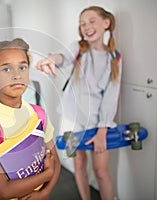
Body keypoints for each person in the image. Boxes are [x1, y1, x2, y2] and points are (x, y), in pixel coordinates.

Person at [36, 6, 121, 200]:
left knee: (101, 171)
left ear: (106, 23)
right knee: (79, 164)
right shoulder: (78, 48)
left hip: (97, 121)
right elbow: (62, 56)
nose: (87, 27)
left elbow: (111, 96)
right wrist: (51, 59)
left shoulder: (115, 58)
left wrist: (102, 130)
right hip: (71, 118)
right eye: (82, 23)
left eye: (91, 21)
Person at [0, 38, 61, 200]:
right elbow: (3, 192)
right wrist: (46, 174)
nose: (16, 75)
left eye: (22, 67)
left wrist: (44, 193)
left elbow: (56, 160)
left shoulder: (38, 114)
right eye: (6, 69)